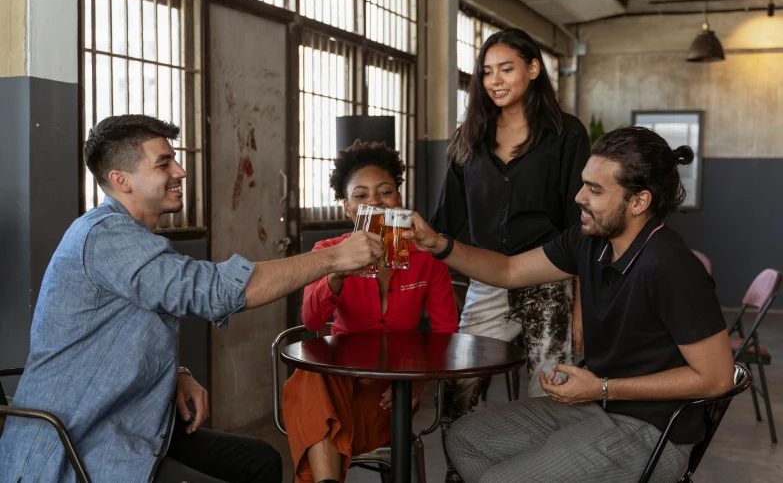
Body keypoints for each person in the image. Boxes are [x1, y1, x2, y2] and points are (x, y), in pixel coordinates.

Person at [0, 115, 383, 483]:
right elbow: (212, 291)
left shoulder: (132, 239)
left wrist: (176, 374)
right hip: (81, 442)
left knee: (260, 461)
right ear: (121, 180)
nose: (181, 171)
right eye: (164, 163)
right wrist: (332, 257)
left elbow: (129, 325)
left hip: (131, 423)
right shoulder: (105, 237)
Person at [407, 126, 734, 483]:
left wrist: (602, 387)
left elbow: (716, 378)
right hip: (599, 407)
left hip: (655, 432)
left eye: (594, 190)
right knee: (464, 438)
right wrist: (438, 244)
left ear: (639, 201)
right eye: (583, 184)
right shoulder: (588, 241)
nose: (578, 197)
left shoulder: (671, 267)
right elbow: (509, 269)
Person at [429, 28, 589, 480]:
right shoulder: (469, 138)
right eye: (485, 72)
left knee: (549, 393)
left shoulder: (565, 133)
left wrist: (581, 305)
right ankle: (460, 473)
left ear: (533, 69)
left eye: (506, 68)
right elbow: (447, 221)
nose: (494, 80)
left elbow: (581, 227)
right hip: (490, 280)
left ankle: (536, 473)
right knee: (458, 387)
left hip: (551, 280)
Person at [282, 140, 458, 483]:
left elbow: (446, 334)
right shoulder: (327, 251)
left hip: (390, 393)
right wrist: (335, 272)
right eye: (361, 195)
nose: (374, 201)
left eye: (385, 191)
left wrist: (419, 383)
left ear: (399, 200)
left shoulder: (427, 258)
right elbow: (311, 321)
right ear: (348, 208)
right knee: (312, 375)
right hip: (338, 380)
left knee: (311, 392)